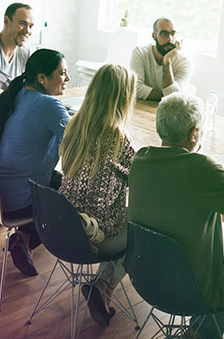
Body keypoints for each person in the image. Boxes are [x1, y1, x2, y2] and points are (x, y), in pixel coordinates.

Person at [128, 93, 224, 338]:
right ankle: (201, 330)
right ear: (194, 134)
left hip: (144, 278)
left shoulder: (140, 159)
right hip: (190, 291)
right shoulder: (202, 168)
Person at [0, 48, 71, 276]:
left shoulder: (15, 95)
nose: (67, 78)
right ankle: (25, 237)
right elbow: (74, 143)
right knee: (71, 195)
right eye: (62, 72)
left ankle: (25, 236)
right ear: (42, 77)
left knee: (56, 180)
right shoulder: (51, 106)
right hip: (16, 204)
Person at [58, 64, 136, 327]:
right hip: (94, 236)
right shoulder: (117, 138)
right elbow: (140, 181)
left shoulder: (74, 126)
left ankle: (100, 285)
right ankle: (103, 284)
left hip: (63, 225)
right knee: (144, 227)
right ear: (123, 98)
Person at [0, 3, 33, 103]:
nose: (27, 31)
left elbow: (32, 88)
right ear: (6, 21)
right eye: (22, 24)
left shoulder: (26, 53)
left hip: (5, 108)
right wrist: (17, 97)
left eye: (31, 26)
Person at [130, 17, 194, 101]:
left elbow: (175, 100)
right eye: (164, 34)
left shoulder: (185, 62)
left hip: (170, 112)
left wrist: (167, 62)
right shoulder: (140, 52)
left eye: (173, 33)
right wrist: (166, 96)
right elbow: (136, 88)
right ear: (154, 36)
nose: (170, 39)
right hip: (143, 108)